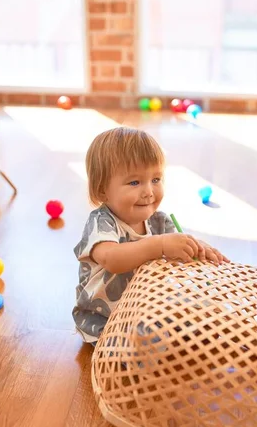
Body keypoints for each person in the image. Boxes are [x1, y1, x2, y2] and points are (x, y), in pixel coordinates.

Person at [73, 127, 229, 344]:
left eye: (156, 179)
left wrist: (195, 246)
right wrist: (160, 245)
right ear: (102, 191)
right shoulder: (101, 222)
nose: (149, 191)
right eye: (135, 182)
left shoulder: (159, 221)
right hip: (106, 320)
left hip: (149, 308)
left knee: (209, 313)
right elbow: (113, 259)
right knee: (151, 341)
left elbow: (177, 252)